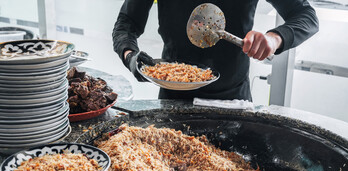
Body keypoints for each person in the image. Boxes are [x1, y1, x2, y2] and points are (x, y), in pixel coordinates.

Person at [113, 0, 319, 101]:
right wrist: (130, 56)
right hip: (174, 97)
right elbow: (126, 23)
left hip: (232, 100)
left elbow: (306, 16)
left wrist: (274, 39)